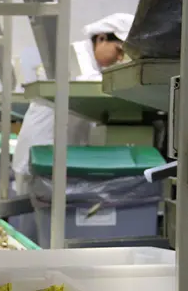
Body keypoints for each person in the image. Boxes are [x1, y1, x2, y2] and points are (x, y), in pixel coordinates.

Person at [11, 13, 134, 247]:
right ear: (100, 39)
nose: (120, 60)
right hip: (42, 153)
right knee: (35, 232)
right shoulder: (76, 54)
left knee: (45, 231)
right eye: (118, 51)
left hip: (56, 157)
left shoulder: (94, 63)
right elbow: (90, 83)